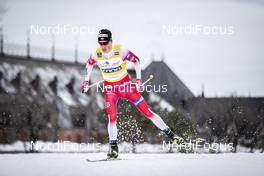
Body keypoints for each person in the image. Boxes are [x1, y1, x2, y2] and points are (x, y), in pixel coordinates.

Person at [82, 29, 183, 159]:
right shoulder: (96, 53)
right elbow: (89, 64)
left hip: (126, 86)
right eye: (100, 43)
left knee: (147, 112)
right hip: (110, 89)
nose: (103, 46)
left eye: (106, 43)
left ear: (111, 41)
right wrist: (86, 81)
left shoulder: (120, 51)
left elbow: (136, 61)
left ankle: (172, 135)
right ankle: (113, 148)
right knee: (112, 117)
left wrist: (139, 80)